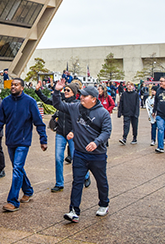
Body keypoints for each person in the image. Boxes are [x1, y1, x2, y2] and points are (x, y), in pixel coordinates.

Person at [52, 80, 112, 223]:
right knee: (77, 182)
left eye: (84, 96)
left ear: (93, 98)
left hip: (97, 155)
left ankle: (104, 204)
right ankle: (74, 211)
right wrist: (56, 91)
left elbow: (107, 132)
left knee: (101, 181)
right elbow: (58, 105)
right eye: (81, 95)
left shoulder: (103, 113)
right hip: (79, 153)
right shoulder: (75, 107)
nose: (81, 97)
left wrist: (96, 142)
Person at [0, 78, 47, 212]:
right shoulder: (6, 102)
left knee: (17, 168)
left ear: (22, 87)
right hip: (10, 140)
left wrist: (43, 139)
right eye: (12, 85)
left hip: (23, 141)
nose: (13, 87)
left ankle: (12, 201)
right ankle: (28, 190)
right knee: (18, 168)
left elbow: (38, 122)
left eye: (16, 85)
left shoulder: (30, 102)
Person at [36, 81, 91, 192]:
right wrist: (38, 91)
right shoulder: (61, 102)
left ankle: (85, 175)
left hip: (73, 134)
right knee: (58, 158)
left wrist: (74, 131)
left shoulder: (78, 104)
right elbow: (47, 100)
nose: (65, 91)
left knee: (77, 158)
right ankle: (59, 183)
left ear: (74, 93)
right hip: (60, 133)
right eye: (64, 90)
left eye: (68, 90)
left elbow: (82, 120)